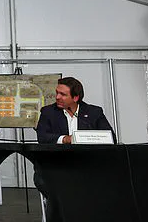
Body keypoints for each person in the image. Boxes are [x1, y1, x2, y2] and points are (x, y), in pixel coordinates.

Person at [34, 76, 116, 222]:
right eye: (57, 93)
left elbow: (111, 138)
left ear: (76, 97)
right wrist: (65, 139)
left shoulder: (94, 112)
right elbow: (42, 137)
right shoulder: (48, 112)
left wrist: (90, 138)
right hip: (56, 168)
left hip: (86, 167)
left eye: (63, 94)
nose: (57, 97)